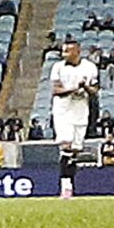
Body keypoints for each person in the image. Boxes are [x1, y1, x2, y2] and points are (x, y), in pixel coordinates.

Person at [48, 38, 98, 198]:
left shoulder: (90, 67)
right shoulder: (58, 67)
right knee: (66, 145)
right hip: (63, 110)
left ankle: (69, 182)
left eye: (67, 51)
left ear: (77, 51)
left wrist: (85, 87)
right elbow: (56, 90)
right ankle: (65, 186)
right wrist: (74, 88)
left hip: (81, 110)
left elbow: (95, 90)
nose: (64, 54)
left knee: (75, 150)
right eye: (63, 51)